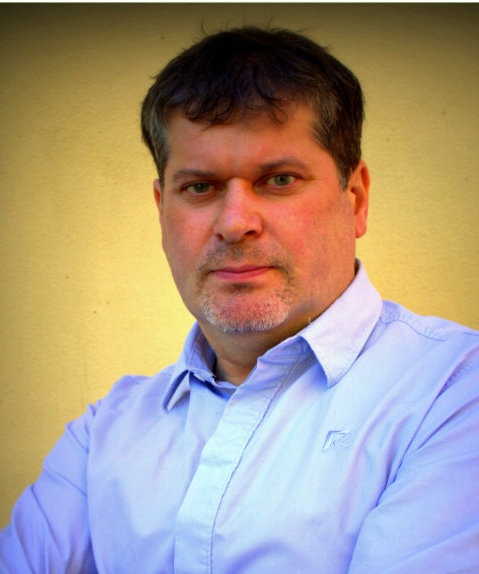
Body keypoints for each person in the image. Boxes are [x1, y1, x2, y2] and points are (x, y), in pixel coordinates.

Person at [1, 26, 478, 574]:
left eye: (278, 179)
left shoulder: (455, 393)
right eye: (200, 187)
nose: (234, 223)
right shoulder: (104, 433)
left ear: (357, 197)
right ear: (162, 210)